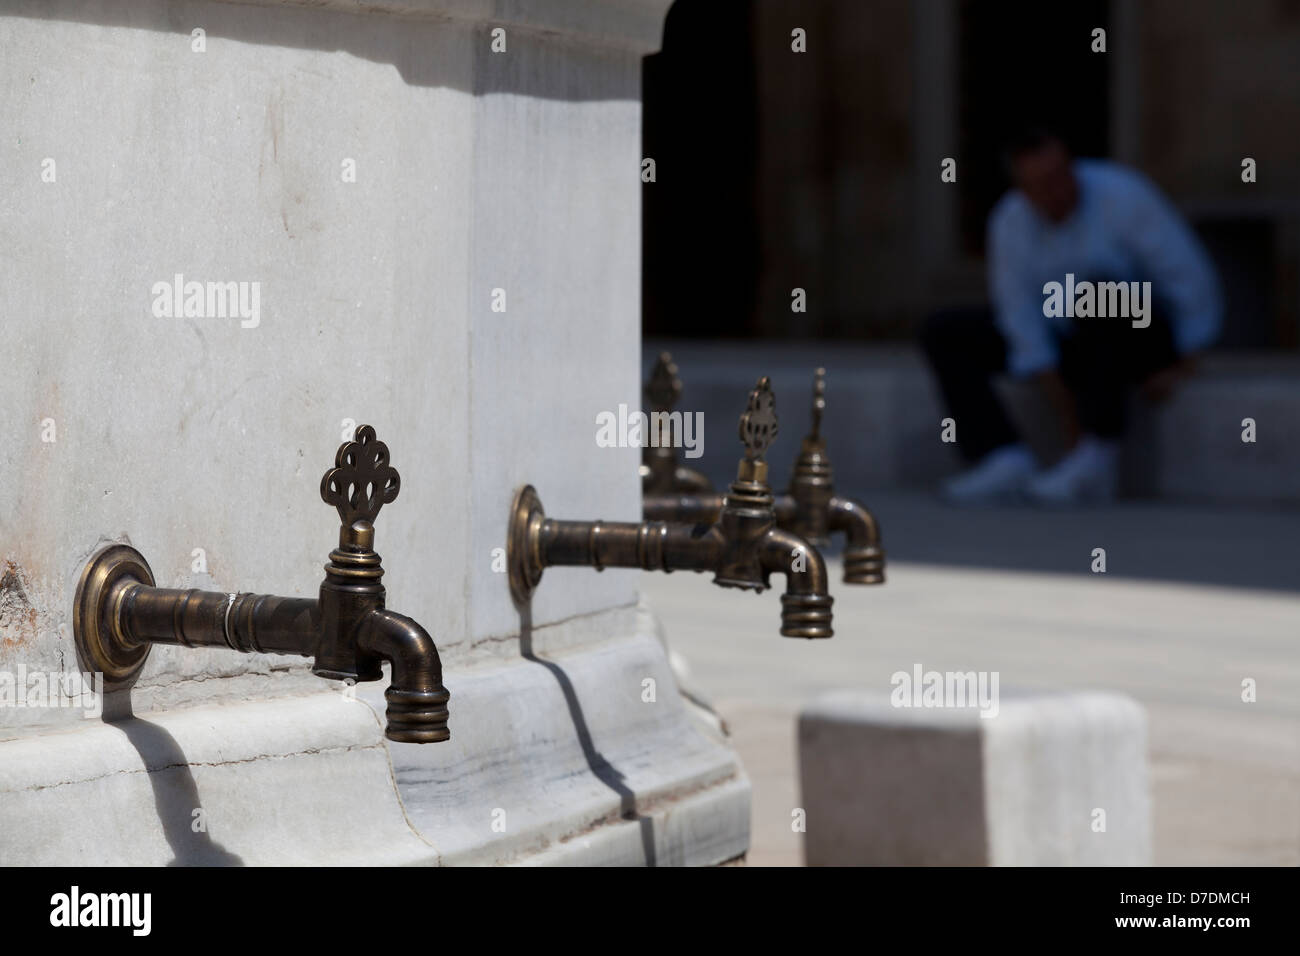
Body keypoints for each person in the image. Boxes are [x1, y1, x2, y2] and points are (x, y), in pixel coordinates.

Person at [922, 130, 1223, 504]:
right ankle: (1003, 456)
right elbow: (1018, 314)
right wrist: (1064, 407)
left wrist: (1186, 361)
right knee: (944, 330)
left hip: (1138, 330)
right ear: (1023, 190)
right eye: (1042, 185)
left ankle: (1099, 454)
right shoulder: (1010, 221)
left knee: (1096, 292)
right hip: (1069, 337)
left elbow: (1186, 275)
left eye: (1061, 176)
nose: (1058, 191)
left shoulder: (1123, 195)